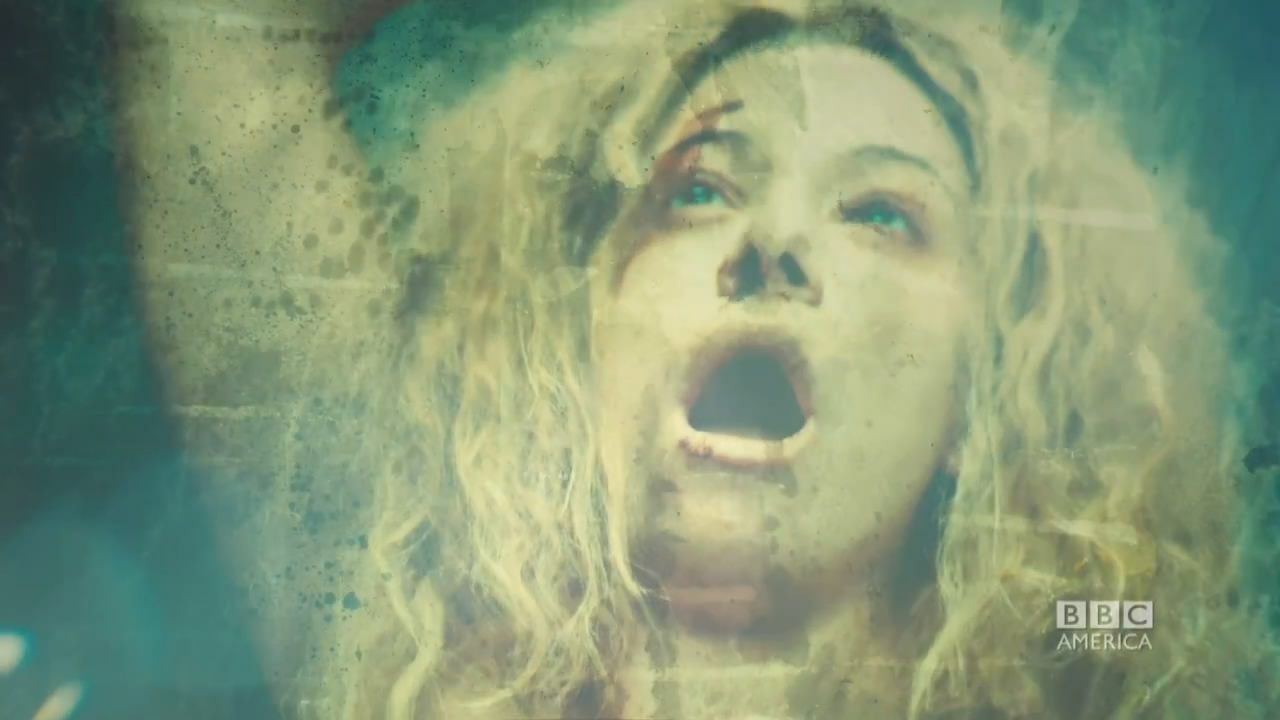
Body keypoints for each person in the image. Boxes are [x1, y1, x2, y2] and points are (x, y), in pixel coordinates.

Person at [109, 0, 1280, 718]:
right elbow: (217, 30)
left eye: (878, 213)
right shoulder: (404, 622)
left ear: (974, 402)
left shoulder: (1063, 649)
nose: (772, 243)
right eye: (700, 188)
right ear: (580, 329)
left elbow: (1148, 631)